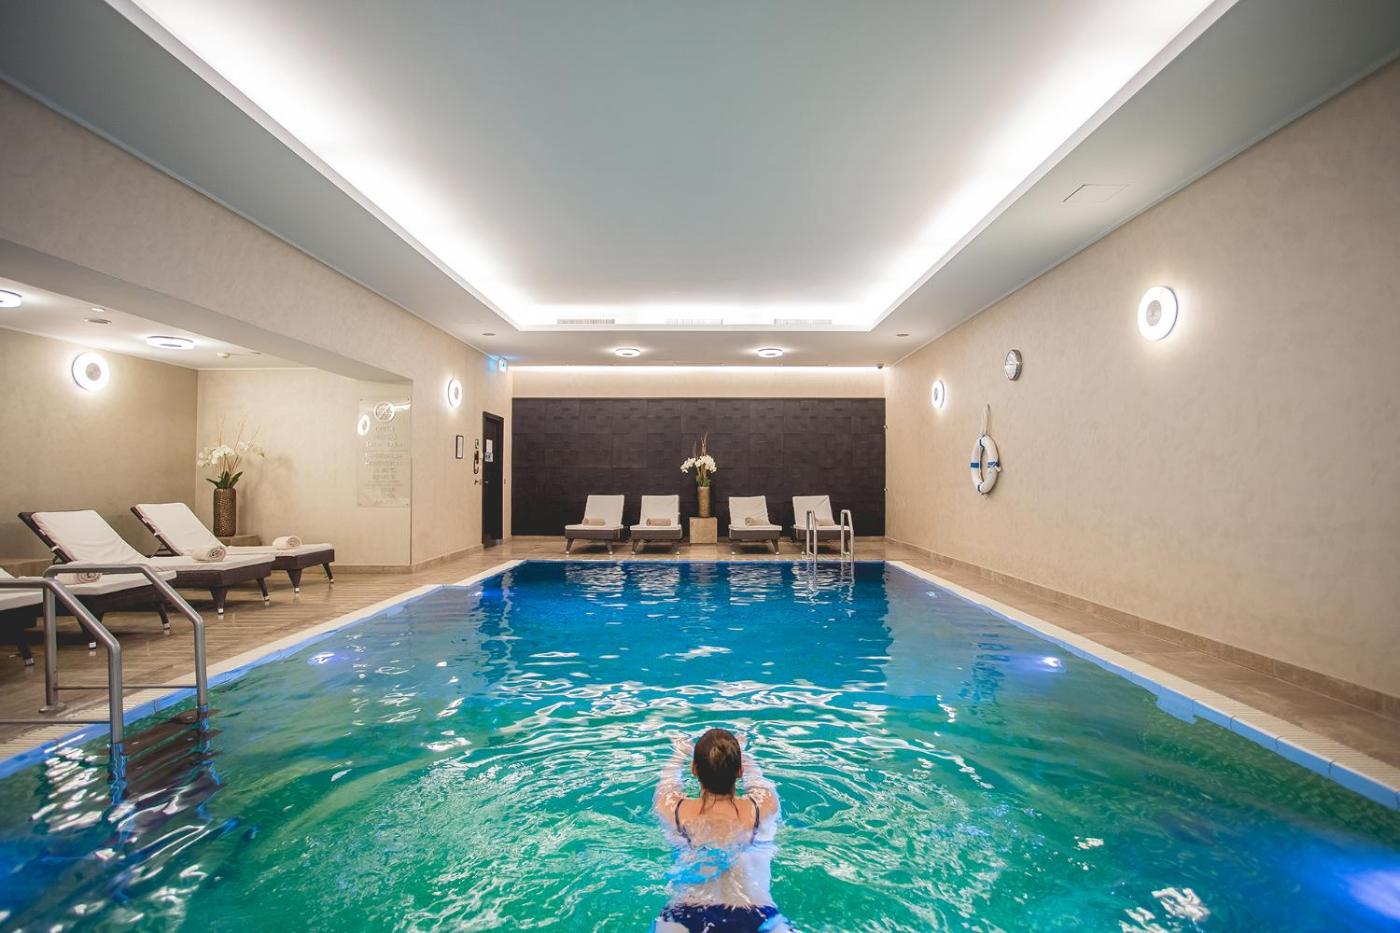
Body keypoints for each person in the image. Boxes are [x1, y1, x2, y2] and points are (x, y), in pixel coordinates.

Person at [652, 728, 790, 933]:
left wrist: (680, 752)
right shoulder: (763, 806)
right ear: (740, 771)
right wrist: (743, 752)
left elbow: (667, 783)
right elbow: (758, 781)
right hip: (757, 913)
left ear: (694, 770)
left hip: (686, 914)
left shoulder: (673, 809)